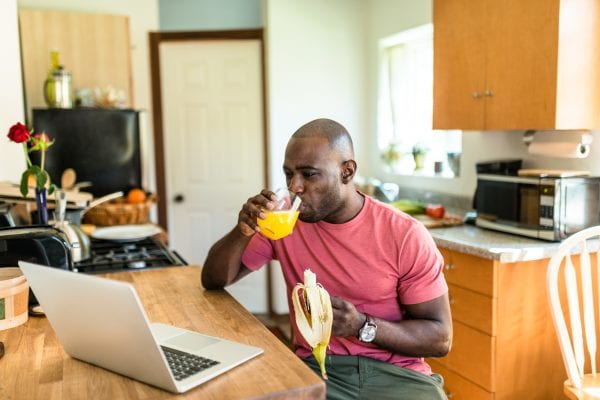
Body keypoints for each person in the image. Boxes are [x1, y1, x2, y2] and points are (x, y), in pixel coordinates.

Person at [202, 118, 452, 400]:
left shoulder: (404, 234)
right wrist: (243, 230)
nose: (295, 186)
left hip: (397, 375)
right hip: (315, 369)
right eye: (288, 174)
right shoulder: (284, 221)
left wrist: (361, 326)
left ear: (347, 171)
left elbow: (440, 338)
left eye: (309, 174)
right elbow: (213, 279)